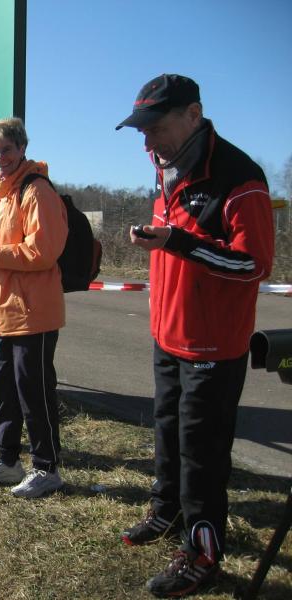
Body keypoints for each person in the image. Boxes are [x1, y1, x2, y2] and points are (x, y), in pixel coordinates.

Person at [116, 74, 274, 598]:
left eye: (156, 128)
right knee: (167, 432)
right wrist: (162, 242)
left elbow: (254, 264)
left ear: (193, 114)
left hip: (213, 344)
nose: (147, 141)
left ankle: (202, 552)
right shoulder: (165, 166)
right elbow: (178, 244)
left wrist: (178, 243)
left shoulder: (239, 176)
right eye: (142, 131)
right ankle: (166, 511)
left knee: (201, 452)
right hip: (167, 333)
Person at [0, 117, 68, 498]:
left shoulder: (36, 190)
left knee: (34, 393)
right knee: (4, 391)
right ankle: (7, 461)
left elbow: (42, 252)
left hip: (33, 313)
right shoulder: (6, 195)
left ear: (22, 148)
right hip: (5, 312)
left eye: (6, 149)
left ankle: (47, 468)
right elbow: (7, 250)